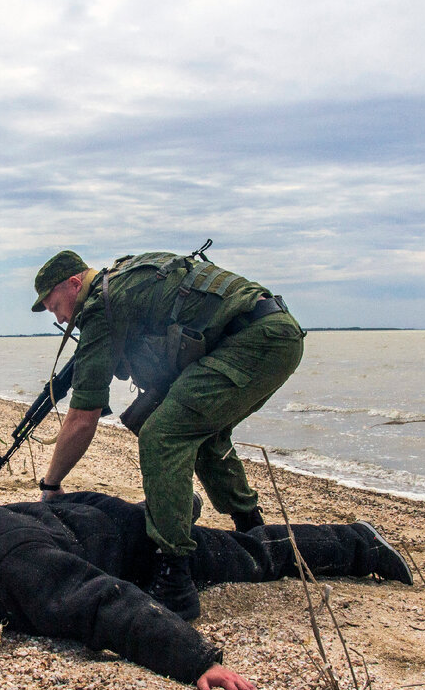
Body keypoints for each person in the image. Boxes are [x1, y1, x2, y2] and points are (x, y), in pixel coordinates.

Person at [0, 491, 412, 690]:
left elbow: (96, 598)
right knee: (193, 532)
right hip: (84, 520)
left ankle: (357, 542)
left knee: (246, 557)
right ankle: (170, 508)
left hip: (124, 545)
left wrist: (198, 660)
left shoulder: (8, 554)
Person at [30, 248, 305, 620]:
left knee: (162, 435)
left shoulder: (101, 304)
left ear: (75, 284)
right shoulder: (124, 276)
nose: (61, 318)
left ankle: (174, 578)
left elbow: (82, 417)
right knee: (198, 429)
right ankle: (252, 527)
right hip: (276, 332)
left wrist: (51, 484)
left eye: (55, 306)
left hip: (254, 340)